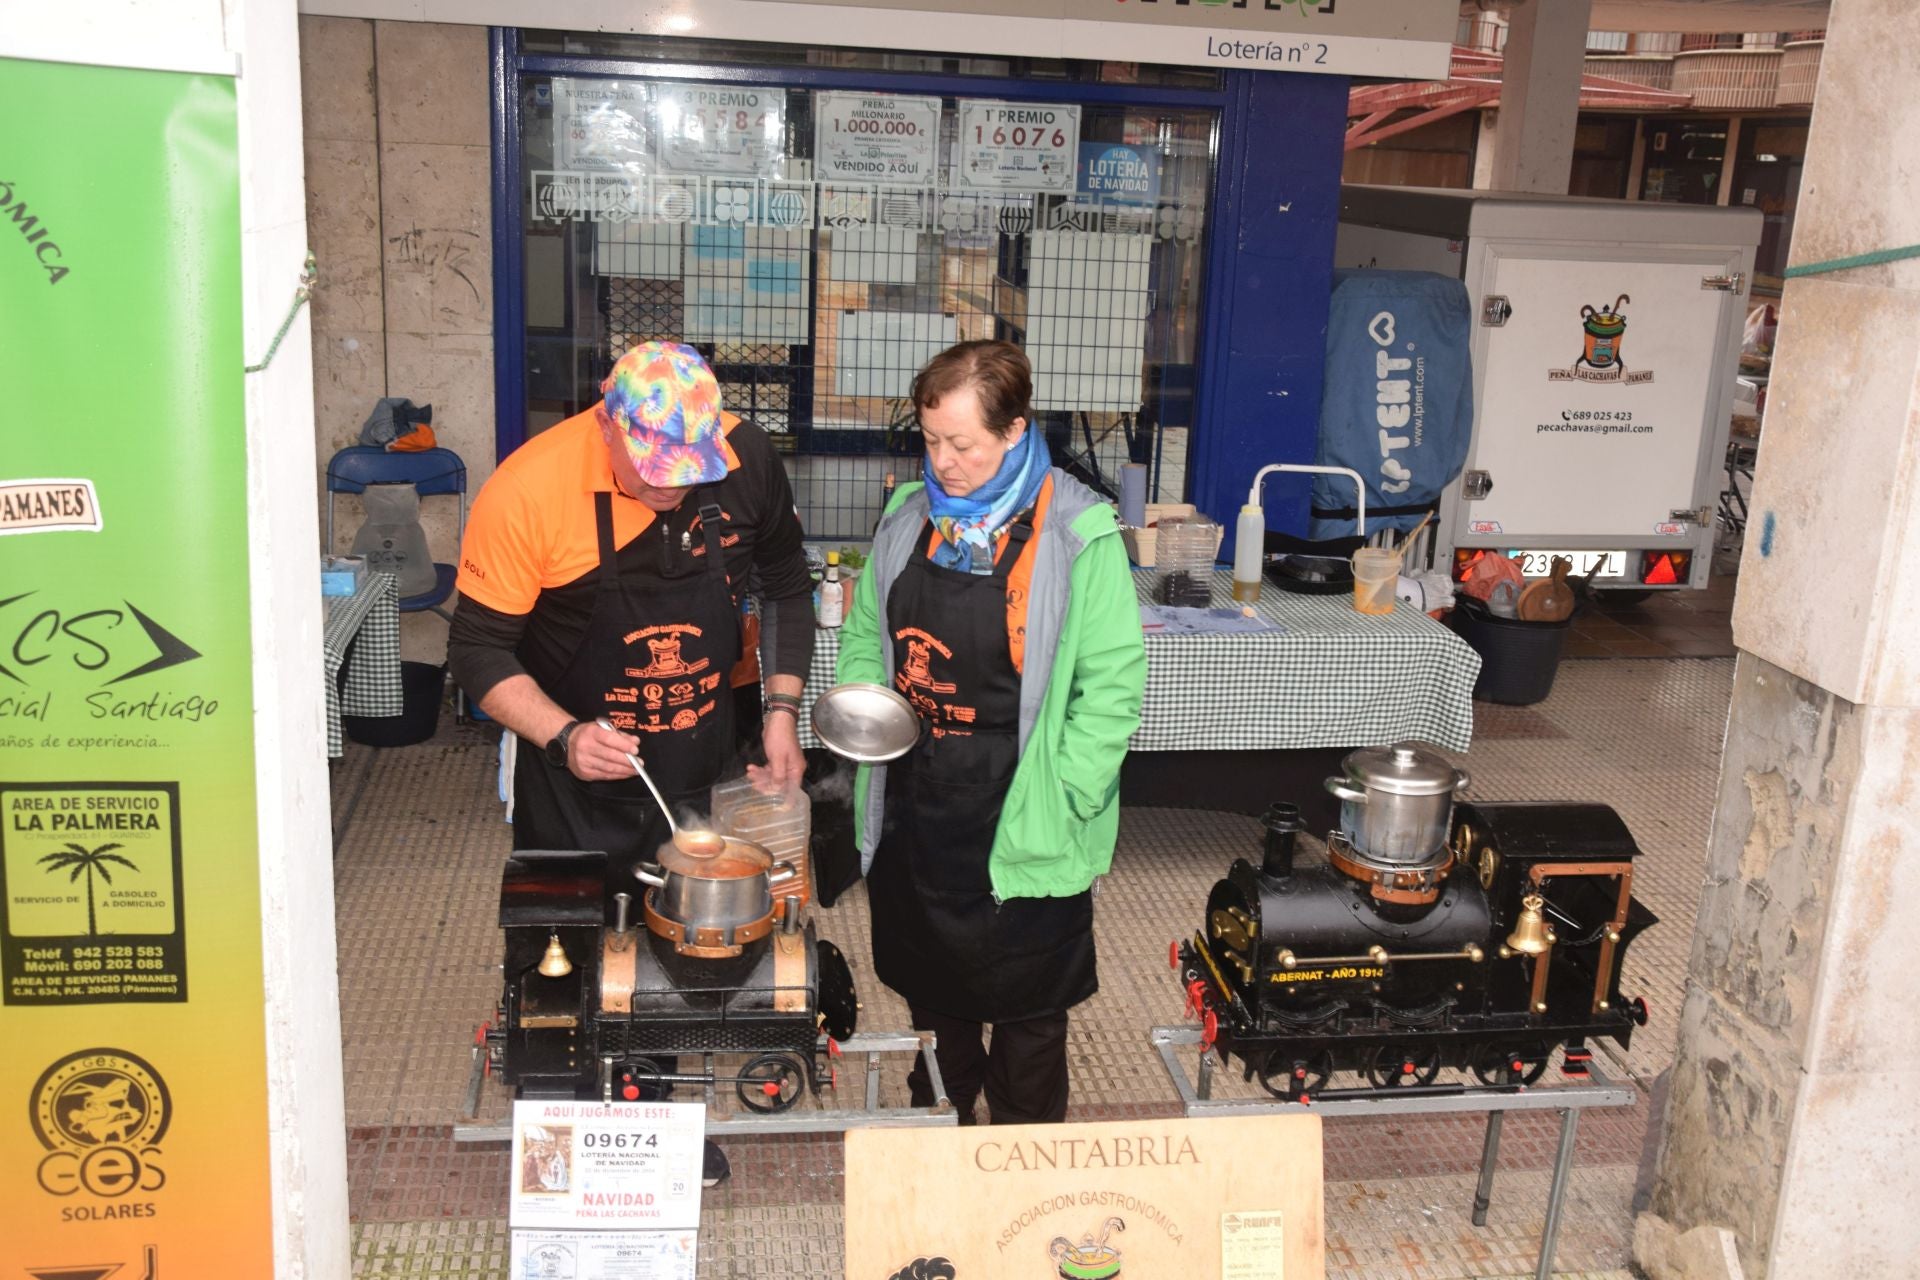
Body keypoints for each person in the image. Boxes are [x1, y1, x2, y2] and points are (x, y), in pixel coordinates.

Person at [449, 341, 815, 1185]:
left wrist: (782, 711)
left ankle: (647, 1133)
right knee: (560, 958)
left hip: (696, 758)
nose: (669, 488)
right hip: (570, 773)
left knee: (684, 954)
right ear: (605, 422)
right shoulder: (529, 489)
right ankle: (562, 1148)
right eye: (651, 471)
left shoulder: (745, 458)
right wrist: (563, 735)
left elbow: (788, 584)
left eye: (687, 472)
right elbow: (475, 651)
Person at [836, 340, 1146, 1125]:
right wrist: (865, 705)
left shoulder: (1081, 535)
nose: (942, 462)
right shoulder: (910, 520)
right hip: (920, 800)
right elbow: (868, 631)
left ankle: (1023, 1170)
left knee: (1029, 1017)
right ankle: (937, 1134)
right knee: (935, 1005)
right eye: (931, 440)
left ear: (1013, 432)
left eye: (962, 444)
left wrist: (1070, 795)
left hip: (1026, 805)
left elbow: (1110, 689)